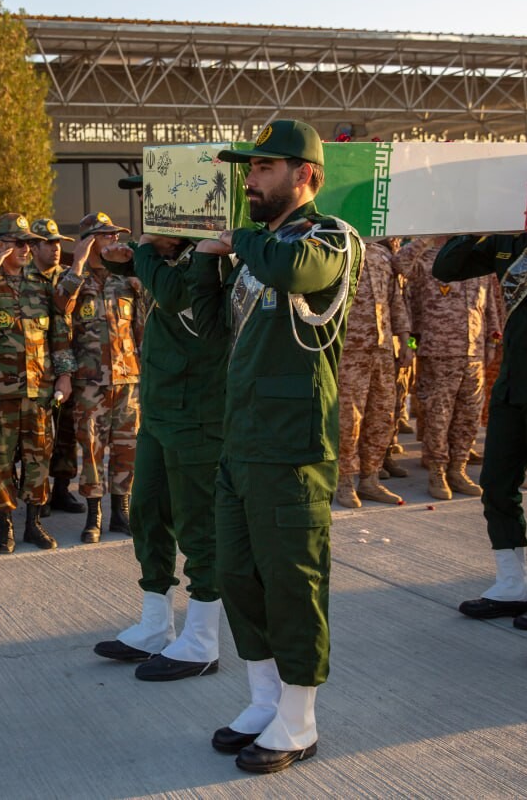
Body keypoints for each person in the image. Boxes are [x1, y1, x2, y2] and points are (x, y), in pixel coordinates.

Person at [189, 119, 361, 773]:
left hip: (291, 445)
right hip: (242, 440)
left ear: (305, 176)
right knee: (238, 572)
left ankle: (300, 715)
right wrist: (206, 265)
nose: (250, 180)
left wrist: (242, 239)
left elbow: (290, 268)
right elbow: (213, 332)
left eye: (264, 168)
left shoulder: (328, 238)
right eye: (249, 168)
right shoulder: (255, 248)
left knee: (293, 576)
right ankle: (264, 698)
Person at [94, 226, 229, 681]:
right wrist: (129, 255)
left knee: (198, 526)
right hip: (160, 409)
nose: (150, 232)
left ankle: (203, 639)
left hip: (197, 413)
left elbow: (171, 294)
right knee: (148, 512)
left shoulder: (214, 261)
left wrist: (147, 250)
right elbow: (137, 263)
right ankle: (156, 624)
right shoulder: (172, 258)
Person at [433, 230, 527, 631]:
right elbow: (446, 267)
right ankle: (512, 583)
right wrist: (478, 222)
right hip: (512, 381)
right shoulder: (505, 239)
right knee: (496, 485)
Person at [0, 213, 74, 552]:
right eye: (18, 242)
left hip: (39, 389)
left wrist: (65, 376)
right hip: (0, 392)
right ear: (1, 245)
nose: (27, 248)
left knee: (38, 458)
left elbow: (60, 332)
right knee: (0, 462)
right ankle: (5, 526)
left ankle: (33, 524)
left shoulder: (41, 284)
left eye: (29, 243)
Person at [54, 212, 144, 542]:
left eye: (113, 235)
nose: (113, 240)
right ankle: (94, 514)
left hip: (127, 377)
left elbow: (142, 328)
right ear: (90, 241)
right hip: (89, 381)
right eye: (105, 236)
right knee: (91, 448)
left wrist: (141, 286)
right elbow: (60, 316)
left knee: (127, 447)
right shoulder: (73, 278)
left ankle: (121, 512)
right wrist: (77, 265)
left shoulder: (127, 279)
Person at [395, 237, 500, 499]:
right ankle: (437, 472)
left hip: (473, 352)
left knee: (468, 416)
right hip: (437, 351)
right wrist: (425, 239)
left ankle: (458, 469)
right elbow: (400, 266)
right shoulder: (427, 259)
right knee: (438, 416)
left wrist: (492, 340)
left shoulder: (477, 261)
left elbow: (489, 307)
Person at [336, 237, 411, 507]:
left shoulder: (383, 255)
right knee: (348, 418)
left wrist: (403, 339)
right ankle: (344, 480)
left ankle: (370, 480)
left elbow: (396, 300)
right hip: (349, 348)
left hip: (382, 347)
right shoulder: (338, 246)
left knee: (382, 414)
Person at [28, 219, 85, 518]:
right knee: (37, 437)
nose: (55, 247)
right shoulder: (24, 279)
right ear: (34, 246)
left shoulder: (68, 276)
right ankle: (40, 493)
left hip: (69, 364)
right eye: (48, 242)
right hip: (35, 367)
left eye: (58, 242)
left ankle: (62, 488)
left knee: (66, 432)